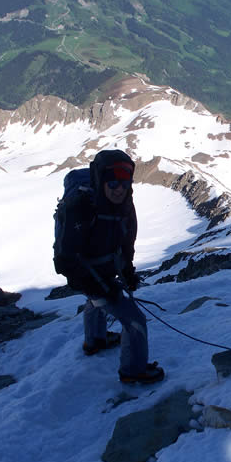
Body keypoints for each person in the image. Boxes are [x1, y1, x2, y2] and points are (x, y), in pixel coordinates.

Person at [57, 149, 164, 384]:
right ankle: (133, 371)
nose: (119, 189)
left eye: (124, 184)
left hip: (103, 272)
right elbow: (67, 261)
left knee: (96, 302)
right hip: (86, 274)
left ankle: (95, 340)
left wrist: (127, 273)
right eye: (113, 183)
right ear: (102, 182)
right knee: (134, 320)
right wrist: (101, 287)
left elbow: (127, 244)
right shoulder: (82, 208)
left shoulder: (125, 207)